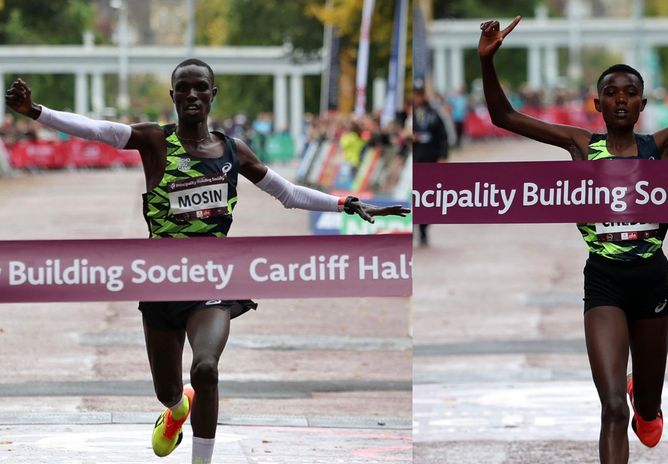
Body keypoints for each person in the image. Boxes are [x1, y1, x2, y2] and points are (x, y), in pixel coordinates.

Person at [5, 58, 409, 464]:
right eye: (184, 88)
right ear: (173, 96)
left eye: (201, 87)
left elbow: (288, 194)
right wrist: (37, 111)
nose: (192, 95)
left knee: (206, 370)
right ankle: (177, 409)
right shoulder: (154, 141)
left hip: (213, 281)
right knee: (167, 390)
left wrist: (346, 202)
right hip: (160, 283)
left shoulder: (234, 152)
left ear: (213, 94)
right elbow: (99, 130)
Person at [477, 2, 668, 463]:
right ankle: (625, 401)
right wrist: (486, 60)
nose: (620, 98)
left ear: (643, 104)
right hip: (602, 281)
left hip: (652, 282)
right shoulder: (581, 146)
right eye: (610, 91)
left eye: (630, 93)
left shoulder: (661, 147)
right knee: (611, 411)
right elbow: (505, 118)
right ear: (596, 102)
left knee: (645, 412)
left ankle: (646, 399)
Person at [411, 78, 449, 247]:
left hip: (429, 159)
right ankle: (410, 226)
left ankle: (424, 229)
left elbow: (443, 136)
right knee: (412, 194)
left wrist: (442, 156)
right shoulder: (407, 113)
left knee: (427, 196)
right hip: (413, 160)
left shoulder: (434, 113)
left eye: (420, 94)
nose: (418, 98)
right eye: (415, 94)